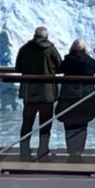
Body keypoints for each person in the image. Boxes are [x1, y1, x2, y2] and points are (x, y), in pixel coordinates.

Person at [15, 26, 62, 161]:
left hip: (30, 92)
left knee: (27, 123)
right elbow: (60, 66)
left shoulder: (25, 49)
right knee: (45, 124)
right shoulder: (51, 49)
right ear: (46, 37)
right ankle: (42, 152)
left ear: (34, 35)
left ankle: (24, 152)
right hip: (47, 94)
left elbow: (18, 67)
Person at [56, 39, 95, 162]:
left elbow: (58, 68)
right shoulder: (89, 61)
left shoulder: (68, 61)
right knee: (83, 124)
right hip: (85, 97)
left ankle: (71, 151)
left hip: (68, 97)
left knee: (69, 123)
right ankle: (78, 151)